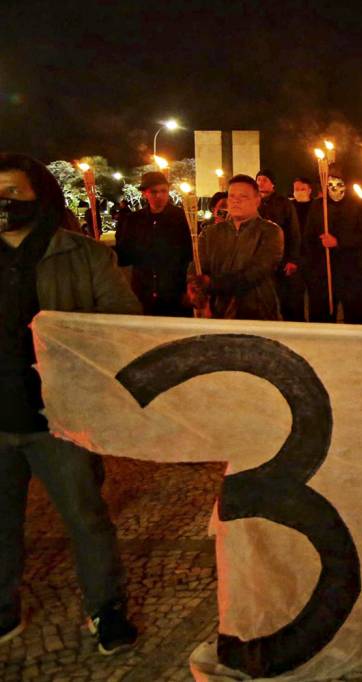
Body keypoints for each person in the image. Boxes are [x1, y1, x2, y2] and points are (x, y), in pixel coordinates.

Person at [0, 153, 140, 654]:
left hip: (60, 417)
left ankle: (106, 606)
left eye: (14, 193)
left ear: (40, 197)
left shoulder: (82, 256)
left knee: (85, 516)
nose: (5, 204)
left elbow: (122, 325)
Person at [187, 175, 284, 320]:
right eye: (231, 196)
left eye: (243, 196)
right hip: (217, 311)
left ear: (257, 200)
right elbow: (198, 264)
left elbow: (258, 271)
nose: (236, 200)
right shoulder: (210, 233)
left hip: (256, 310)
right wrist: (195, 286)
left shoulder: (270, 231)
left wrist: (213, 283)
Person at [114, 171, 192, 316]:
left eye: (163, 191)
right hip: (144, 291)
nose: (159, 196)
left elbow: (190, 255)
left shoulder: (183, 218)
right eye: (154, 192)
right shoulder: (133, 220)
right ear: (145, 193)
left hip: (175, 292)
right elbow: (124, 255)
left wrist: (188, 288)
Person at [302, 166, 362, 323]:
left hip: (352, 271)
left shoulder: (359, 205)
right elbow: (309, 237)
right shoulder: (318, 206)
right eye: (330, 183)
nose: (334, 187)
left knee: (356, 316)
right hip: (324, 272)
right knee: (323, 316)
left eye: (339, 182)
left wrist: (339, 242)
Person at [255, 170, 303, 322]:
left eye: (264, 179)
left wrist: (293, 259)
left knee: (286, 301)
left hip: (282, 259)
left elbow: (293, 232)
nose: (260, 182)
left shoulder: (284, 203)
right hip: (259, 261)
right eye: (258, 179)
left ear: (273, 183)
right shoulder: (253, 202)